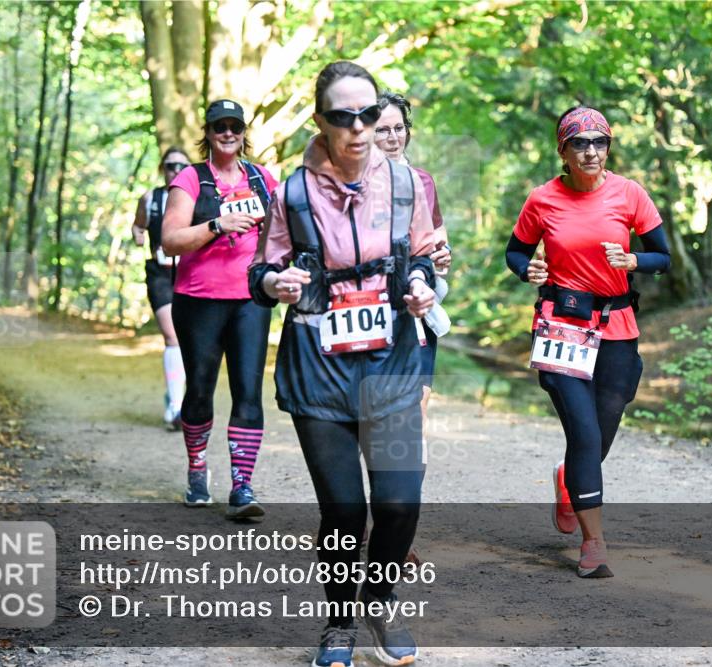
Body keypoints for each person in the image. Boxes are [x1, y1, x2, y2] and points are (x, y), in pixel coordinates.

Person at [249, 61, 437, 667]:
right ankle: (338, 625)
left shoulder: (407, 183)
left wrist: (421, 284)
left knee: (401, 503)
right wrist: (276, 280)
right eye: (342, 116)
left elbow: (426, 255)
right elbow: (262, 269)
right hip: (318, 369)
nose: (358, 127)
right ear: (320, 121)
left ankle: (379, 598)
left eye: (367, 112)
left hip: (396, 364)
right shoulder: (293, 192)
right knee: (344, 511)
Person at [505, 106, 671, 578]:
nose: (591, 151)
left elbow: (664, 256)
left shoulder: (630, 194)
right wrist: (526, 268)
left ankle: (567, 481)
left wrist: (634, 261)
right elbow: (515, 250)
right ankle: (593, 542)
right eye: (579, 143)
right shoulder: (543, 200)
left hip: (617, 328)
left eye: (599, 141)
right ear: (563, 150)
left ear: (609, 147)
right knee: (584, 433)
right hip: (561, 326)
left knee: (603, 427)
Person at [161, 100, 278, 518]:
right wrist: (216, 226)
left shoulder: (262, 178)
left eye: (235, 127)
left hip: (250, 298)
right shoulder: (191, 180)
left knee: (249, 390)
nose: (228, 133)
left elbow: (284, 232)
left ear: (244, 132)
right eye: (219, 127)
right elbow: (170, 240)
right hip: (199, 301)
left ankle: (243, 487)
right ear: (208, 133)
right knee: (199, 390)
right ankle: (197, 467)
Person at [374, 91, 452, 416]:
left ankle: (410, 466)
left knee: (418, 399)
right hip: (372, 305)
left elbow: (438, 237)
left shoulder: (423, 181)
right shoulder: (351, 182)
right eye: (383, 130)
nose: (394, 138)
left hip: (417, 301)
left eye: (399, 128)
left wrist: (442, 253)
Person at [131, 147, 191, 430]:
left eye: (182, 166)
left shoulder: (198, 197)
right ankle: (176, 409)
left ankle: (179, 395)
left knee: (191, 340)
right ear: (162, 169)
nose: (176, 171)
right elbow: (138, 226)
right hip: (160, 274)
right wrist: (139, 236)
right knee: (172, 336)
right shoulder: (151, 198)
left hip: (191, 273)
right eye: (170, 166)